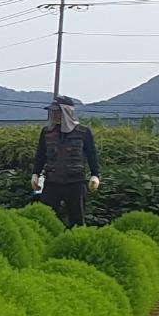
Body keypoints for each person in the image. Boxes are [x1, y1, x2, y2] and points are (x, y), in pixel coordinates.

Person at [32, 98, 103, 229]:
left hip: (75, 182)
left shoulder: (83, 132)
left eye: (56, 112)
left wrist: (95, 175)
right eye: (52, 112)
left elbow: (92, 155)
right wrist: (35, 173)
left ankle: (77, 243)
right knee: (44, 217)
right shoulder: (47, 132)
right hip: (51, 182)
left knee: (77, 220)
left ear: (66, 112)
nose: (53, 115)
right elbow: (40, 155)